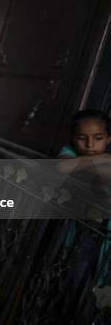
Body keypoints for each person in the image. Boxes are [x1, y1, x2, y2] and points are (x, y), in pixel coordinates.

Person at [56, 109, 110, 320]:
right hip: (84, 231)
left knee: (104, 287)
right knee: (78, 280)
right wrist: (103, 158)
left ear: (108, 138)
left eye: (98, 139)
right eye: (82, 138)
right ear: (73, 138)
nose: (89, 145)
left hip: (106, 232)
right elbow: (62, 166)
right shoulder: (69, 151)